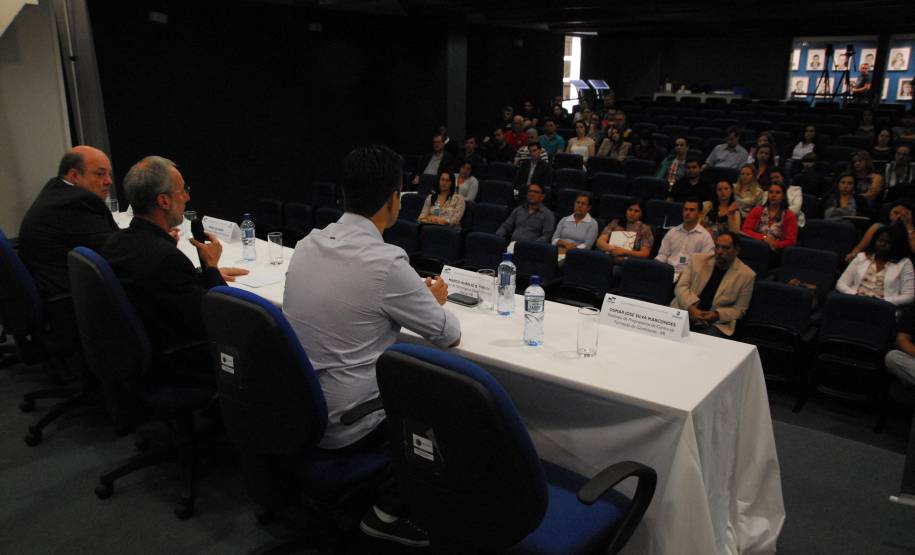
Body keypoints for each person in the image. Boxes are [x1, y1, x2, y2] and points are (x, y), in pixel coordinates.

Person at [283, 145, 461, 547]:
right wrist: (430, 300)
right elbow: (448, 333)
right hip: (347, 421)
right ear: (393, 198)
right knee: (445, 402)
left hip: (298, 407)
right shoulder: (387, 262)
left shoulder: (309, 243)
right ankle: (390, 511)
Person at [102, 156, 248, 364]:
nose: (187, 197)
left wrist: (199, 273)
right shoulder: (166, 259)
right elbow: (220, 318)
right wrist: (212, 268)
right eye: (182, 190)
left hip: (135, 357)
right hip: (181, 362)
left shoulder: (116, 242)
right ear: (164, 201)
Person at [18, 146, 119, 297]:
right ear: (74, 176)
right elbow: (117, 251)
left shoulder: (56, 191)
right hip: (69, 299)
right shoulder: (77, 202)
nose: (108, 181)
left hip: (50, 285)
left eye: (109, 174)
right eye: (100, 174)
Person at [671, 231, 756, 338]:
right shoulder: (698, 260)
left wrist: (716, 315)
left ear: (736, 250)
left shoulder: (747, 275)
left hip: (715, 323)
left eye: (725, 248)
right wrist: (691, 309)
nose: (719, 251)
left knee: (706, 342)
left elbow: (740, 309)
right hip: (685, 310)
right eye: (717, 247)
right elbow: (681, 287)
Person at [837, 224, 914, 306]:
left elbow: (909, 296)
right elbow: (841, 283)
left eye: (888, 242)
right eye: (880, 240)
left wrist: (883, 301)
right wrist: (855, 295)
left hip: (883, 307)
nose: (882, 244)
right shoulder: (861, 257)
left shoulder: (904, 263)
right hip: (855, 303)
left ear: (896, 245)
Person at [655, 199, 716, 276]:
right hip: (667, 272)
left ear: (699, 213)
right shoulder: (672, 232)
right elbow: (662, 254)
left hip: (689, 277)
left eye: (692, 210)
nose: (687, 213)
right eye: (685, 209)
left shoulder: (705, 237)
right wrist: (656, 267)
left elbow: (707, 263)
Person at [847, 201, 915, 262]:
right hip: (874, 260)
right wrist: (853, 255)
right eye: (896, 213)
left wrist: (908, 225)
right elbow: (859, 248)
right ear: (890, 212)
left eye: (904, 215)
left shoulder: (911, 231)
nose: (899, 217)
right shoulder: (878, 227)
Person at [741, 182, 799, 254]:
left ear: (783, 196)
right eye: (771, 192)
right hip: (755, 246)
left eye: (777, 193)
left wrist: (775, 244)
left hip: (776, 252)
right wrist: (763, 237)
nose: (773, 195)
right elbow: (745, 230)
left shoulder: (789, 215)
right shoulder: (757, 210)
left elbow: (791, 241)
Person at [596, 198, 654, 263]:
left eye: (636, 211)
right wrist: (613, 249)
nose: (632, 213)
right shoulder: (615, 223)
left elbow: (645, 254)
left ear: (642, 214)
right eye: (630, 210)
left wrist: (624, 251)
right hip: (609, 256)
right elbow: (600, 242)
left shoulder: (645, 229)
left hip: (629, 262)